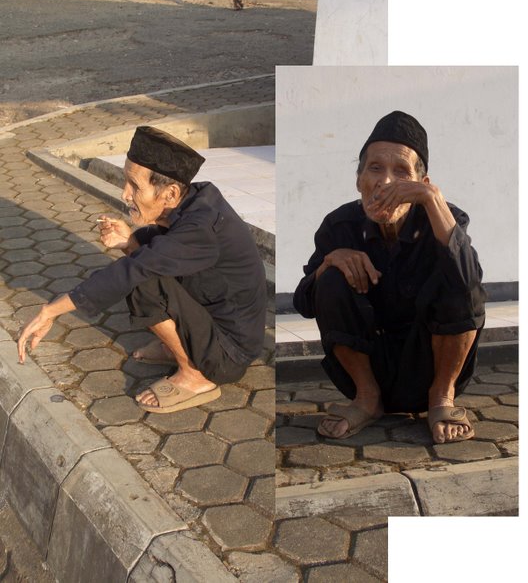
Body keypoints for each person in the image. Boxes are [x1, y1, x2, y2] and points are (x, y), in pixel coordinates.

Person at [18, 126, 267, 414]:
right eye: (126, 182)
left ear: (171, 192)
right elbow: (161, 248)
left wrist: (51, 310)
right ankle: (176, 347)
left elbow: (134, 270)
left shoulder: (201, 228)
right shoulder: (197, 200)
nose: (125, 194)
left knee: (139, 281)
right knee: (144, 261)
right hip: (216, 323)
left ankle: (195, 374)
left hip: (228, 353)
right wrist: (130, 241)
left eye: (134, 186)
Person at [293, 111, 486, 444]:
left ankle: (442, 398)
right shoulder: (340, 226)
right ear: (359, 180)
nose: (384, 182)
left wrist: (432, 201)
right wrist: (330, 261)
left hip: (428, 368)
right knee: (331, 278)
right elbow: (304, 302)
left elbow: (470, 282)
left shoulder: (444, 219)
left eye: (401, 172)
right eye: (375, 168)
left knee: (461, 280)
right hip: (370, 370)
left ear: (419, 184)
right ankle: (367, 401)